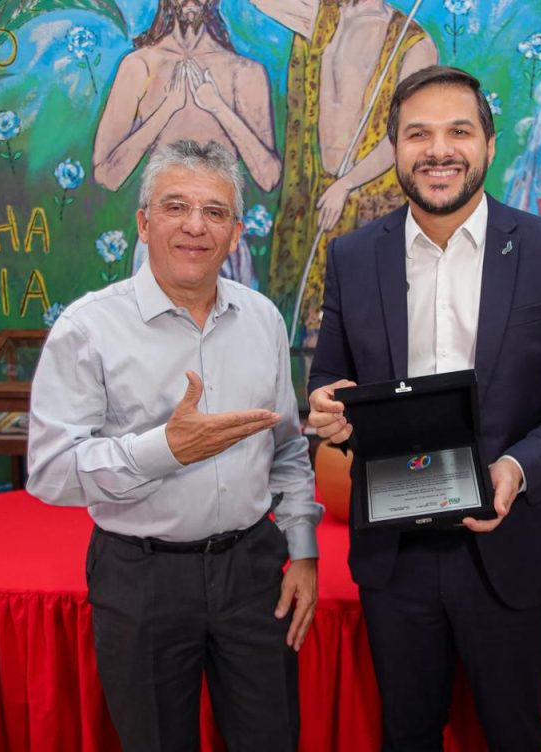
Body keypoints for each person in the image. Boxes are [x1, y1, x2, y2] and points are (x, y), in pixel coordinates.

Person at [307, 66, 541, 751]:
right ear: (394, 148)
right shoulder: (354, 257)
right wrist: (327, 407)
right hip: (395, 548)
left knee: (514, 734)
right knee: (407, 733)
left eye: (458, 131)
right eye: (417, 134)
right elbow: (331, 378)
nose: (438, 150)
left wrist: (518, 466)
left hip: (513, 541)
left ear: (488, 143)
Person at [27, 139, 322, 752]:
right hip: (142, 576)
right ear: (143, 222)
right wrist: (165, 449)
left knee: (272, 738)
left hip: (253, 572)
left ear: (236, 233)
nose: (195, 226)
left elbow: (288, 449)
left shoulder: (264, 319)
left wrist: (302, 551)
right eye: (175, 207)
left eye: (215, 212)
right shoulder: (88, 328)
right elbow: (50, 472)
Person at [252, 0, 436, 343]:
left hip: (369, 201)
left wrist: (347, 184)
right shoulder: (320, 16)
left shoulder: (412, 42)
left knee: (361, 327)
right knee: (312, 327)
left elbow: (404, 137)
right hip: (315, 195)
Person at [93, 0, 281, 279]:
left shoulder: (243, 72)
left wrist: (217, 106)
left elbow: (269, 177)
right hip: (159, 247)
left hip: (222, 249)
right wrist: (167, 109)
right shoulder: (139, 66)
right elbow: (107, 175)